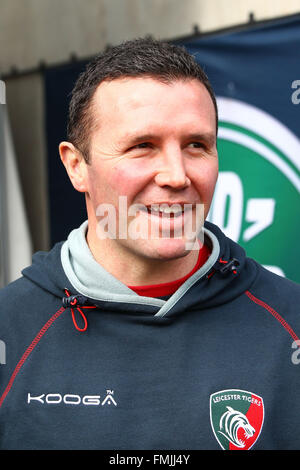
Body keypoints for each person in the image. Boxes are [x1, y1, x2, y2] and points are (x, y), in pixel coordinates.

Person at [0, 37, 299, 451]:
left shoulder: (291, 324)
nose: (176, 175)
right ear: (76, 167)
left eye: (196, 145)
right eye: (143, 146)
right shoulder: (10, 330)